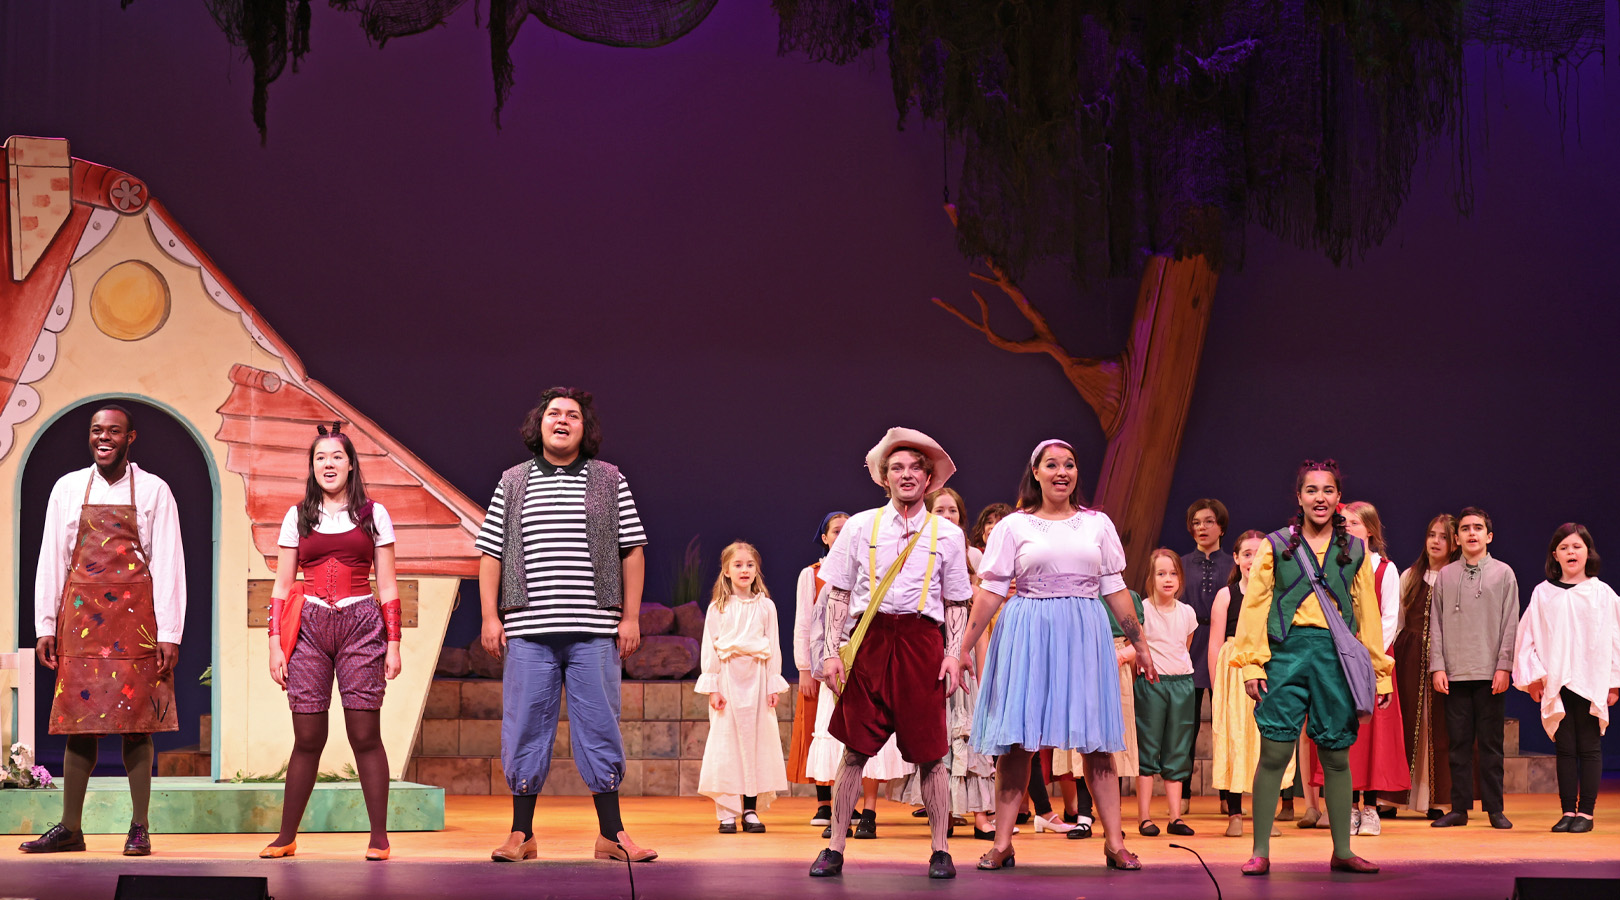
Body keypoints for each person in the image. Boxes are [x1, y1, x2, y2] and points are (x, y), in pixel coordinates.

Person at [958, 439, 1157, 872]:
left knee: (1097, 742)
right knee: (1016, 742)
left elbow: (1115, 589)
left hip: (1084, 634)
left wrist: (1140, 645)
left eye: (1069, 465)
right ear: (1036, 473)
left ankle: (1115, 843)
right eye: (1052, 465)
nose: (1061, 472)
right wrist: (960, 650)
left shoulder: (1096, 524)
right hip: (1028, 632)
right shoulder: (1014, 526)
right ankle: (1003, 843)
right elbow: (990, 592)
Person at [476, 388, 655, 863]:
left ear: (584, 428)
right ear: (538, 425)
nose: (562, 420)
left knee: (600, 727)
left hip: (593, 630)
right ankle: (521, 834)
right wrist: (490, 616)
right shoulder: (513, 482)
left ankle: (612, 835)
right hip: (530, 632)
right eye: (553, 413)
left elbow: (632, 550)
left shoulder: (609, 480)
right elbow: (491, 553)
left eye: (572, 415)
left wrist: (631, 617)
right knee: (524, 730)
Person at [808, 428, 972, 880]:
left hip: (922, 642)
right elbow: (837, 592)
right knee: (855, 749)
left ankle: (941, 850)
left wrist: (953, 654)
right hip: (873, 640)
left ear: (928, 477)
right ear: (884, 477)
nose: (905, 475)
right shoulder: (861, 525)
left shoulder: (948, 534)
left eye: (914, 467)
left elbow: (957, 601)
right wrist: (831, 653)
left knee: (932, 754)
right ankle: (835, 846)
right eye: (896, 468)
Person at [21, 404, 185, 857]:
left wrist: (170, 632)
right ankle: (71, 827)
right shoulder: (68, 488)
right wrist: (45, 625)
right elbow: (51, 559)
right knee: (79, 724)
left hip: (136, 624)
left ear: (130, 438)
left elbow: (169, 564)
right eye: (96, 431)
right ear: (89, 437)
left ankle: (139, 828)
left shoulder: (154, 490)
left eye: (113, 431)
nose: (103, 437)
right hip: (80, 620)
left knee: (137, 724)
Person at [1232, 459, 1391, 876]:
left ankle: (1342, 850)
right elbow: (1254, 608)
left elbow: (1367, 614)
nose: (1320, 498)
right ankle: (1260, 851)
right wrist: (1252, 664)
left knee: (1336, 755)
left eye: (1328, 491)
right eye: (1311, 491)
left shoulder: (1355, 550)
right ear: (1299, 497)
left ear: (1338, 499)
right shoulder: (1276, 544)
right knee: (1275, 752)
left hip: (1334, 658)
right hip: (1285, 655)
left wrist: (1380, 671)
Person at [260, 424, 402, 860]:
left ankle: (379, 837)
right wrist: (273, 643)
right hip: (309, 627)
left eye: (336, 457)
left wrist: (393, 643)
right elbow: (282, 585)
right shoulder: (297, 514)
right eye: (320, 457)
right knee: (307, 735)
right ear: (312, 466)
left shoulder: (373, 514)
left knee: (364, 732)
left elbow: (389, 584)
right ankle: (286, 837)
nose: (328, 464)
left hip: (361, 623)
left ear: (351, 464)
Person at [898, 488, 998, 836]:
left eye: (953, 510)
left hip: (965, 654)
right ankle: (945, 811)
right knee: (936, 733)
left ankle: (981, 815)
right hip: (930, 654)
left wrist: (984, 675)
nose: (947, 516)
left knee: (969, 732)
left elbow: (979, 620)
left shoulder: (971, 557)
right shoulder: (915, 553)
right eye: (939, 509)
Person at [1308, 501, 1409, 835]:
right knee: (1347, 734)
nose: (1347, 527)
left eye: (1354, 522)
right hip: (1340, 659)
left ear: (1370, 529)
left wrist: (1367, 655)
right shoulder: (1335, 565)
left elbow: (1390, 618)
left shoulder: (1385, 569)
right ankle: (1348, 806)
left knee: (1376, 736)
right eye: (1343, 522)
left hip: (1372, 660)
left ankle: (1370, 808)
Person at [1512, 524, 1620, 834]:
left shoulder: (1602, 593)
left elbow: (1615, 638)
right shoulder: (1544, 594)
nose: (1571, 552)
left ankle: (1586, 812)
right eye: (1564, 547)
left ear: (1588, 552)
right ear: (1555, 555)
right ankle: (1567, 811)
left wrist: (1614, 680)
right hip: (1556, 680)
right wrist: (1534, 678)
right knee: (1564, 746)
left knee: (1588, 746)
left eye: (1577, 546)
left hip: (1591, 678)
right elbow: (1528, 638)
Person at [1428, 507, 1518, 830]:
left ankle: (1495, 808)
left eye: (1478, 528)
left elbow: (1511, 624)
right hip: (1454, 674)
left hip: (1490, 673)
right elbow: (1435, 625)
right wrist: (1438, 666)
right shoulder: (1446, 576)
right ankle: (1459, 809)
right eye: (1465, 528)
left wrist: (1504, 666)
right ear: (1457, 537)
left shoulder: (1504, 574)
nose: (1471, 533)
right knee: (1458, 745)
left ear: (1488, 536)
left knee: (1491, 746)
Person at [697, 542, 790, 833]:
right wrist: (713, 686)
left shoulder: (766, 606)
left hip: (758, 679)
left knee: (756, 742)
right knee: (727, 743)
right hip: (728, 681)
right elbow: (710, 648)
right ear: (726, 570)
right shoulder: (718, 608)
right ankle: (727, 810)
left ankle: (750, 808)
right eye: (737, 565)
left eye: (749, 564)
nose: (744, 570)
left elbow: (773, 645)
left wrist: (773, 683)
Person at [1208, 530, 1292, 837]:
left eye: (1259, 554)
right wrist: (1219, 689)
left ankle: (1264, 814)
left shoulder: (1278, 594)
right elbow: (1216, 645)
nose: (1252, 560)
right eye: (1247, 554)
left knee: (1264, 741)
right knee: (1235, 741)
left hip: (1268, 669)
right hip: (1234, 673)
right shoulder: (1227, 595)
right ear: (1236, 558)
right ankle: (1234, 813)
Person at [1392, 514, 1459, 818]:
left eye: (1443, 536)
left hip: (1445, 658)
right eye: (1432, 534)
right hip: (1409, 655)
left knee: (1441, 729)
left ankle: (1438, 799)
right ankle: (1392, 797)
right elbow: (1399, 619)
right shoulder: (1410, 575)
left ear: (1454, 542)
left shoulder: (1457, 578)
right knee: (1405, 723)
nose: (1435, 541)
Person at [1134, 549, 1198, 838]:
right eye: (1161, 573)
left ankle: (1175, 817)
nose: (1167, 579)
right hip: (1152, 684)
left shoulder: (1187, 612)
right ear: (1151, 577)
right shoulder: (1143, 610)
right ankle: (1145, 817)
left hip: (1181, 684)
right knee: (1148, 748)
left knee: (1178, 748)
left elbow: (1184, 645)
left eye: (1172, 573)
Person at [791, 512, 847, 826]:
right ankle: (824, 802)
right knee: (818, 728)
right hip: (818, 665)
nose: (843, 535)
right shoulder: (811, 574)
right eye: (837, 531)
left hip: (848, 662)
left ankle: (846, 798)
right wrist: (804, 668)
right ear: (824, 538)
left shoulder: (861, 572)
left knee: (844, 729)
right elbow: (803, 623)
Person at [1180, 499, 1232, 810]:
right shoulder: (1182, 563)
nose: (1202, 527)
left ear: (1221, 527)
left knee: (1224, 723)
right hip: (1189, 645)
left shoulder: (1234, 564)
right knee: (1188, 725)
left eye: (1209, 521)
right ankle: (1183, 794)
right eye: (1197, 522)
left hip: (1223, 645)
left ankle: (1228, 797)